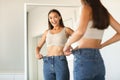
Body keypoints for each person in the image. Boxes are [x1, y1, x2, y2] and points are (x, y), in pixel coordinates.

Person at [63, 0, 120, 80]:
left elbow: (80, 32)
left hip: (83, 58)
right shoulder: (103, 12)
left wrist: (66, 45)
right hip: (98, 58)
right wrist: (102, 45)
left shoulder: (86, 8)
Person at [35, 9, 74, 80]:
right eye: (50, 18)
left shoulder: (66, 30)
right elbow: (38, 46)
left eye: (55, 17)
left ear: (60, 17)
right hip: (47, 62)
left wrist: (71, 47)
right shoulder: (47, 32)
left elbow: (80, 38)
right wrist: (37, 53)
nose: (53, 20)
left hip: (60, 61)